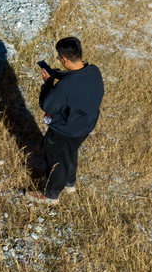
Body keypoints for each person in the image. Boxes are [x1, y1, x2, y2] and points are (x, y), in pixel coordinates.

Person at [25, 37, 105, 204]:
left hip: (64, 129)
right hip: (85, 125)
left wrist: (48, 83)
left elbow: (47, 105)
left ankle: (50, 194)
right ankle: (69, 182)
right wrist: (59, 76)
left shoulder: (65, 87)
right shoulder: (93, 71)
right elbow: (76, 81)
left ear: (64, 59)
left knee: (57, 159)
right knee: (70, 151)